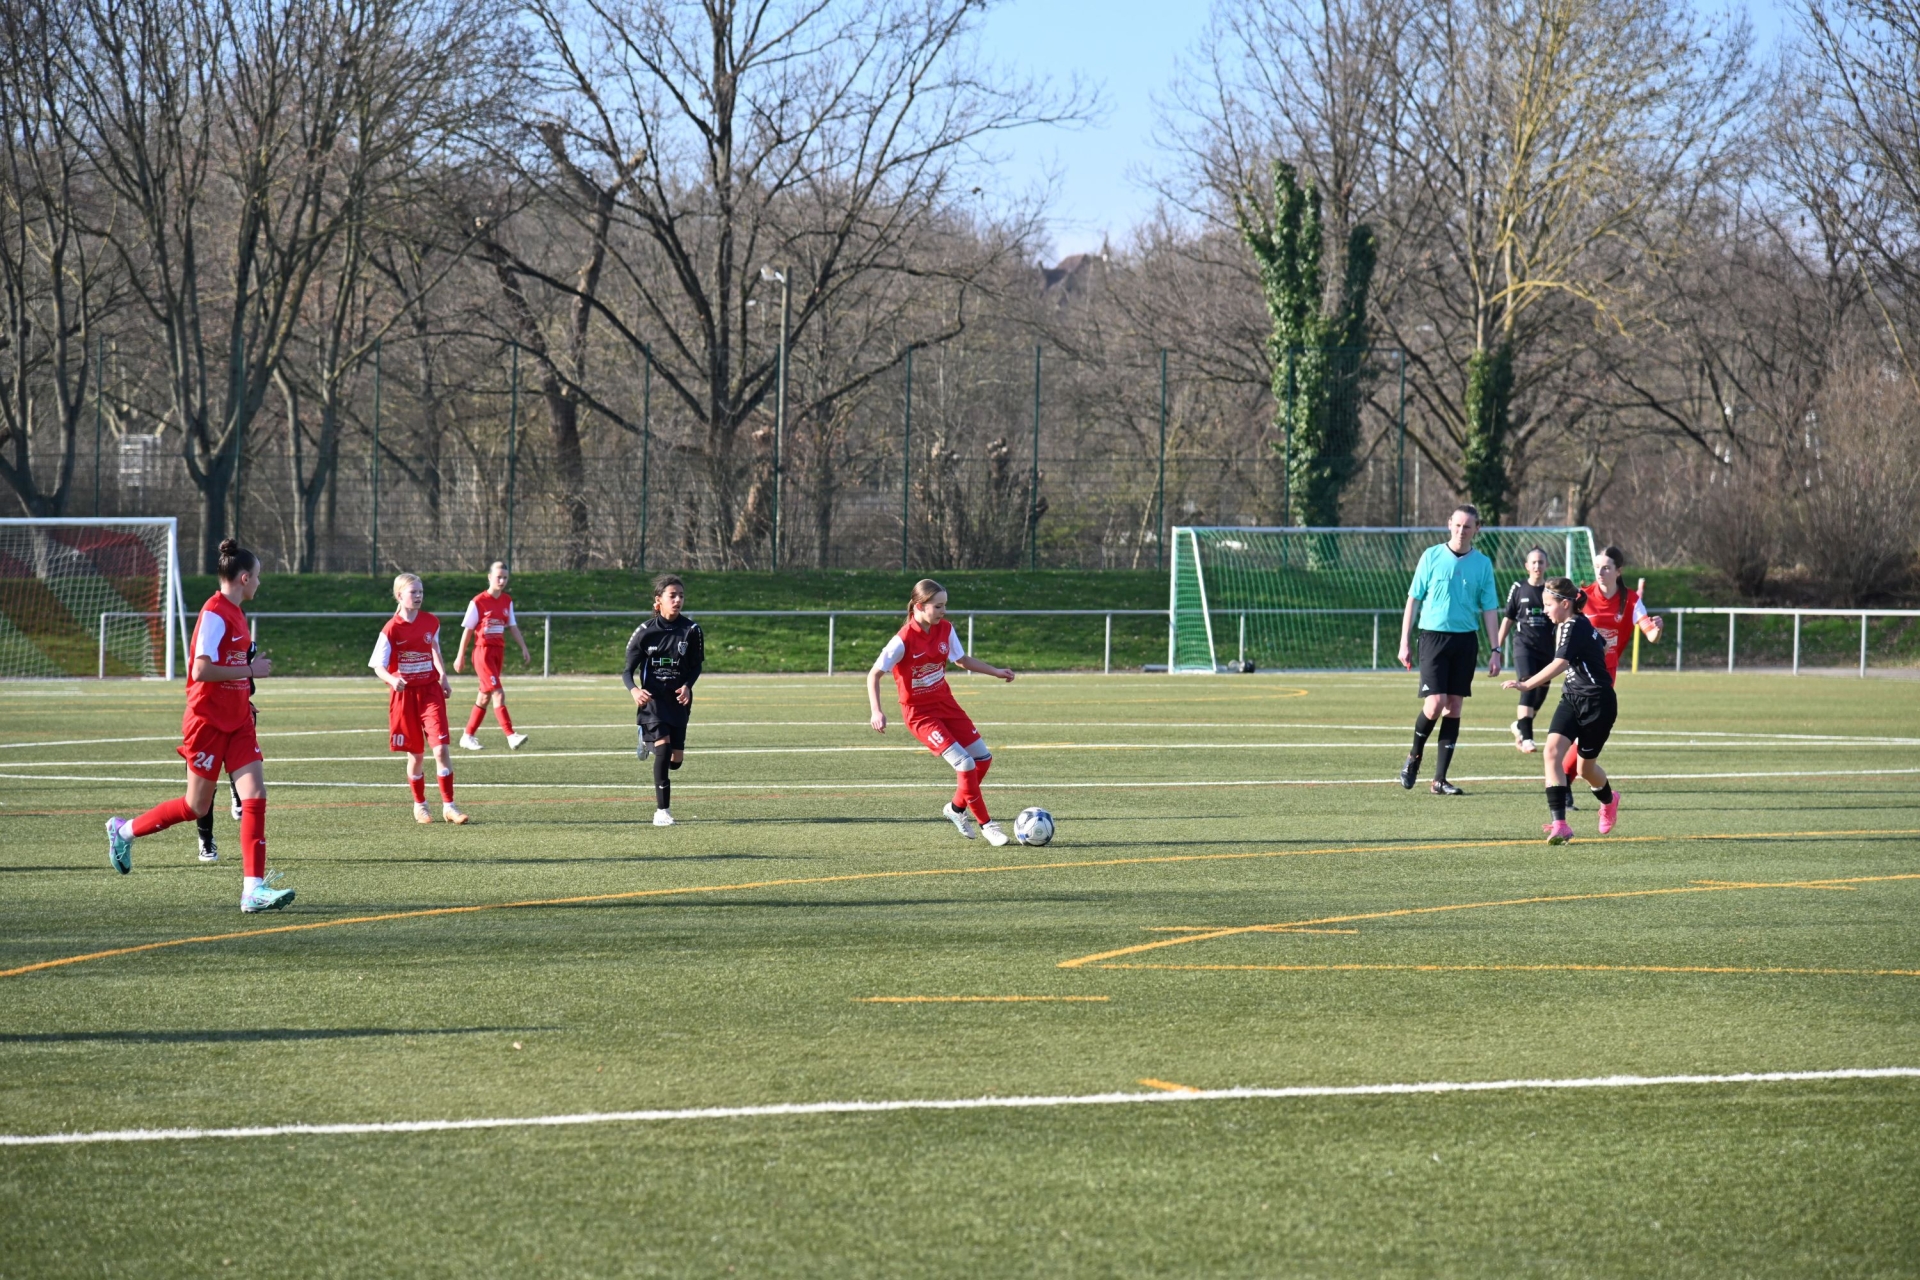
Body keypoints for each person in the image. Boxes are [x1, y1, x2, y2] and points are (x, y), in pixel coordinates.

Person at [105, 538, 294, 912]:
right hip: (207, 723)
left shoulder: (237, 613)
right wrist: (250, 669)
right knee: (195, 806)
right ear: (243, 577)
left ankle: (252, 891)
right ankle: (123, 832)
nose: (259, 583)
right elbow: (200, 669)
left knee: (255, 796)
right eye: (256, 577)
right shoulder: (215, 613)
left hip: (238, 721)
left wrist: (245, 689)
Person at [867, 579, 1017, 845]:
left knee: (983, 759)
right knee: (966, 763)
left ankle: (956, 808)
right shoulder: (901, 641)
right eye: (938, 606)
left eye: (945, 605)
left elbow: (961, 660)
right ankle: (987, 824)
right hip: (920, 715)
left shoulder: (945, 629)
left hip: (947, 706)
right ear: (920, 606)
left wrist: (995, 671)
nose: (943, 611)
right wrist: (876, 711)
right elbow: (874, 674)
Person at [1504, 577, 1622, 844]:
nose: (1545, 610)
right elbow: (1601, 647)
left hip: (1598, 704)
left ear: (1565, 604)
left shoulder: (1572, 624)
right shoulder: (1573, 625)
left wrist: (1526, 684)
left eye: (1548, 605)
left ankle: (1609, 800)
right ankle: (1560, 825)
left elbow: (1559, 663)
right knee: (1552, 751)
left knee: (1585, 770)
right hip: (1571, 699)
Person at [1396, 505, 1503, 795]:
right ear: (1449, 525)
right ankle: (1413, 758)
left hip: (1465, 640)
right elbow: (1413, 599)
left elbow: (1490, 608)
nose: (1461, 531)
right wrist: (1404, 640)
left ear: (1477, 529)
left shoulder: (1482, 564)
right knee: (1435, 703)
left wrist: (1496, 648)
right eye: (1457, 525)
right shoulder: (1431, 556)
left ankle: (1439, 780)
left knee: (1454, 706)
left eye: (1467, 526)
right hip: (1433, 638)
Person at [371, 573, 467, 824]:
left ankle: (449, 806)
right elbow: (377, 666)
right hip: (405, 698)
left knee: (441, 749)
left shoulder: (431, 622)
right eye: (413, 592)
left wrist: (443, 676)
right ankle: (420, 805)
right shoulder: (391, 629)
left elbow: (434, 648)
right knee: (416, 755)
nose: (418, 596)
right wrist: (392, 680)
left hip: (430, 692)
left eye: (421, 591)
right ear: (399, 596)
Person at [1559, 546, 1663, 777]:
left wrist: (1658, 628)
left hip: (1606, 674)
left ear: (1618, 571)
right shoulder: (1582, 596)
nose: (1600, 572)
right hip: (1578, 671)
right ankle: (1563, 782)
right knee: (1574, 728)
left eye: (1606, 567)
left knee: (1584, 730)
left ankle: (1564, 781)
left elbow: (1651, 635)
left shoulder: (1631, 600)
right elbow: (1564, 625)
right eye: (1597, 567)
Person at [623, 574, 704, 827]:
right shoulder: (645, 632)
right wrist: (634, 690)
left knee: (675, 761)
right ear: (658, 600)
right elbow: (627, 670)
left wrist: (688, 686)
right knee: (663, 749)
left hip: (678, 701)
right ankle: (662, 811)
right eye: (672, 596)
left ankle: (645, 740)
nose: (678, 600)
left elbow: (695, 666)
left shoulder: (691, 630)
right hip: (653, 701)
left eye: (681, 595)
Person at [454, 561, 532, 752]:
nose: (502, 580)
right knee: (498, 693)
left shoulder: (507, 600)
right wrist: (460, 656)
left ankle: (467, 736)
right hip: (483, 653)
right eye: (499, 576)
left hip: (498, 652)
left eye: (505, 577)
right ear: (490, 577)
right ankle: (511, 735)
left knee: (484, 698)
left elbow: (512, 626)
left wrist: (524, 647)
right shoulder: (478, 601)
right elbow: (468, 630)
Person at [1495, 546, 1555, 754]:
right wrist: (1497, 647)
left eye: (1541, 562)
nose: (1537, 566)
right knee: (1527, 685)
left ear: (1547, 565)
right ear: (1527, 566)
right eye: (1534, 562)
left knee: (1540, 692)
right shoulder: (1518, 588)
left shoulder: (1551, 590)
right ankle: (1527, 738)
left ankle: (1520, 726)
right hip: (1524, 647)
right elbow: (1508, 619)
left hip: (1548, 650)